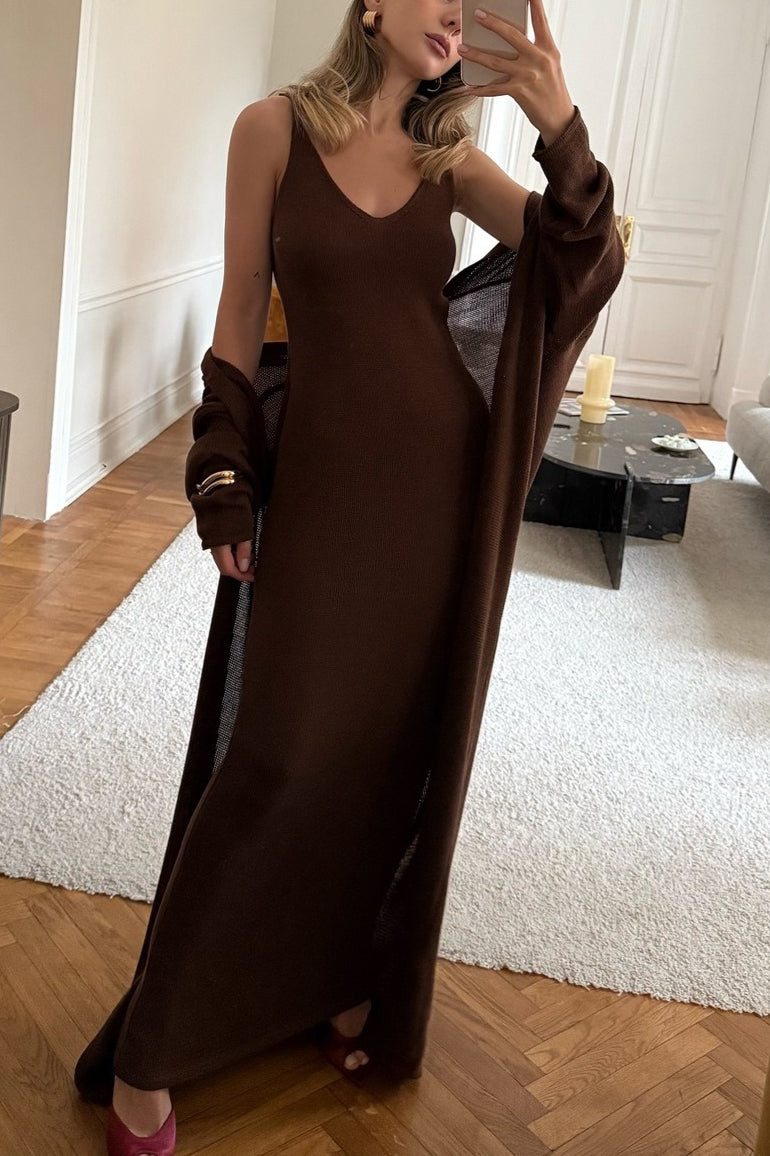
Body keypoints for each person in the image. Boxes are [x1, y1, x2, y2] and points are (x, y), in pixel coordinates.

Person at [76, 2, 623, 1153]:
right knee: (274, 754)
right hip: (324, 492)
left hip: (438, 496)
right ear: (370, 4)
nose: (455, 15)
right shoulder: (270, 129)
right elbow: (239, 307)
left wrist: (560, 128)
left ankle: (330, 974)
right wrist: (223, 467)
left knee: (383, 755)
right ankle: (148, 1052)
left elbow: (581, 261)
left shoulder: (446, 158)